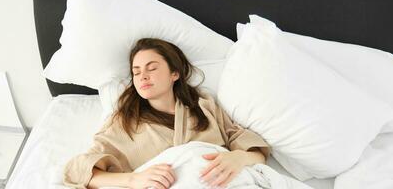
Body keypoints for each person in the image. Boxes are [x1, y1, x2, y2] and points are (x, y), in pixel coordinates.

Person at [63, 38, 270, 189]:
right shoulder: (124, 122)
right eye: (136, 72)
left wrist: (238, 158)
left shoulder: (204, 106)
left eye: (151, 68)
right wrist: (134, 179)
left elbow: (256, 153)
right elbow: (78, 172)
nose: (142, 76)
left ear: (174, 73)